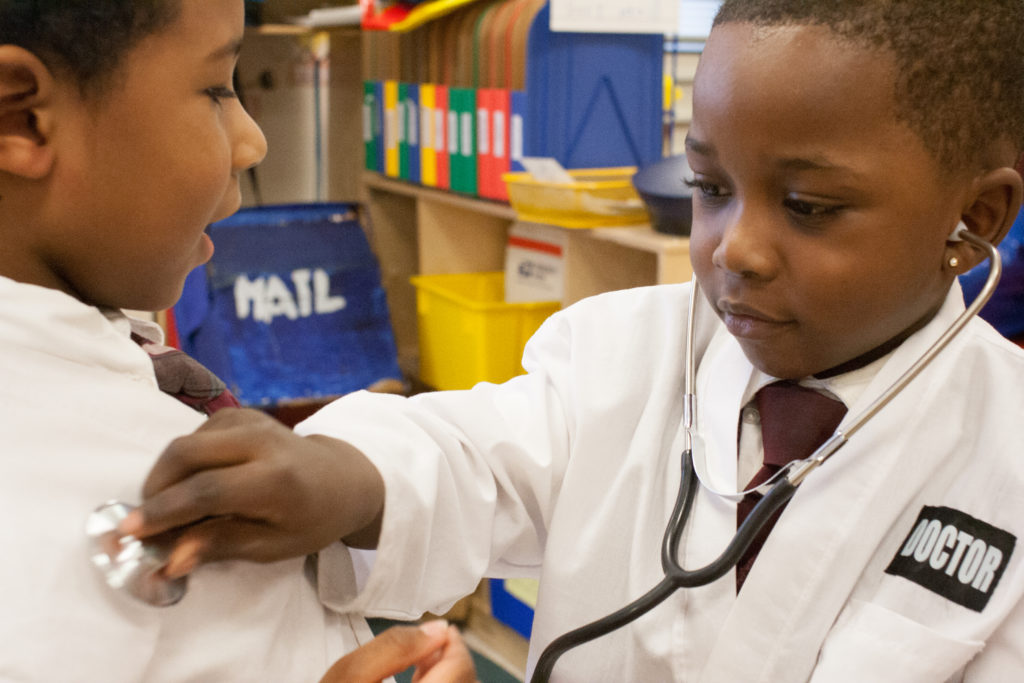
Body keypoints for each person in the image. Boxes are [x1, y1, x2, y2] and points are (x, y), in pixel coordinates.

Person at [124, 0, 1024, 680]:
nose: (735, 249)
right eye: (710, 186)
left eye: (808, 207)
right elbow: (473, 455)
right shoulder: (626, 352)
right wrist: (340, 476)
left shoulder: (1005, 457)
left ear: (973, 219)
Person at [0, 1, 474, 680]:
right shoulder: (40, 514)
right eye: (218, 89)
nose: (252, 142)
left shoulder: (114, 353)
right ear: (21, 116)